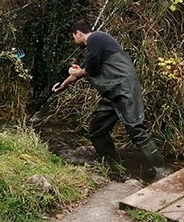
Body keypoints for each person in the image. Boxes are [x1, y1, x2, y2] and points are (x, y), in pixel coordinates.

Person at [52, 20, 172, 181]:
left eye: (73, 37)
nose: (74, 41)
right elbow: (79, 72)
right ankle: (114, 167)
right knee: (97, 129)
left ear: (78, 33)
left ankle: (163, 171)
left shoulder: (95, 38)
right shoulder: (96, 47)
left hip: (124, 90)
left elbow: (90, 68)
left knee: (136, 130)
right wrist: (62, 86)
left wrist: (80, 72)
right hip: (112, 94)